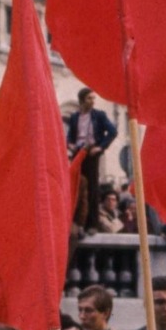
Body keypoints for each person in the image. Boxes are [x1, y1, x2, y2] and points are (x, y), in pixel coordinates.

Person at [65, 87, 118, 230]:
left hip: (91, 152)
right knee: (77, 185)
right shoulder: (75, 117)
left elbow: (113, 131)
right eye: (90, 98)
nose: (93, 101)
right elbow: (70, 135)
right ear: (82, 100)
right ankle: (76, 220)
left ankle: (92, 224)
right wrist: (69, 144)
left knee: (92, 187)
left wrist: (100, 147)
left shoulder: (99, 115)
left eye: (94, 98)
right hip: (78, 152)